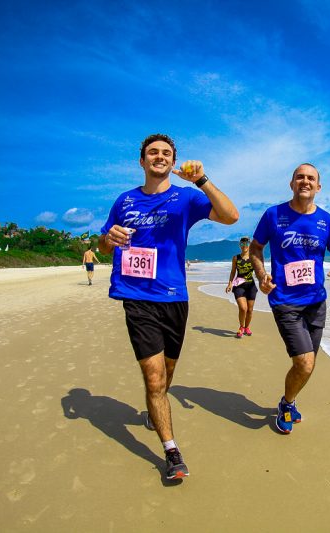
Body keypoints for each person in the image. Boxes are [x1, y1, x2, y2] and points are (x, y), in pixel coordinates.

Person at [98, 133, 238, 479]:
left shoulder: (186, 198)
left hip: (174, 297)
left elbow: (231, 216)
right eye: (152, 153)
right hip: (136, 296)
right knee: (155, 378)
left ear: (173, 162)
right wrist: (108, 239)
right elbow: (104, 244)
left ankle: (154, 406)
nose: (159, 157)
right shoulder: (124, 201)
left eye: (165, 153)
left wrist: (202, 181)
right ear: (142, 161)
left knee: (167, 374)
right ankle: (171, 451)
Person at [249, 163, 330, 434]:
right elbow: (255, 248)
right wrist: (261, 275)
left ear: (318, 187)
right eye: (300, 177)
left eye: (311, 178)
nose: (305, 182)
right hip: (285, 301)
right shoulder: (273, 215)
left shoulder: (326, 220)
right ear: (292, 183)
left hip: (316, 302)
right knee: (304, 363)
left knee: (308, 364)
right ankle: (286, 404)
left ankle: (288, 402)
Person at [225, 236, 258, 338]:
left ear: (249, 245)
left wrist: (263, 280)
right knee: (243, 308)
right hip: (239, 285)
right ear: (240, 245)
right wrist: (230, 283)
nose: (245, 246)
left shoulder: (253, 257)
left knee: (250, 310)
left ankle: (247, 327)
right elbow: (233, 272)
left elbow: (258, 271)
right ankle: (241, 327)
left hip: (251, 286)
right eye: (242, 244)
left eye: (247, 243)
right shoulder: (236, 258)